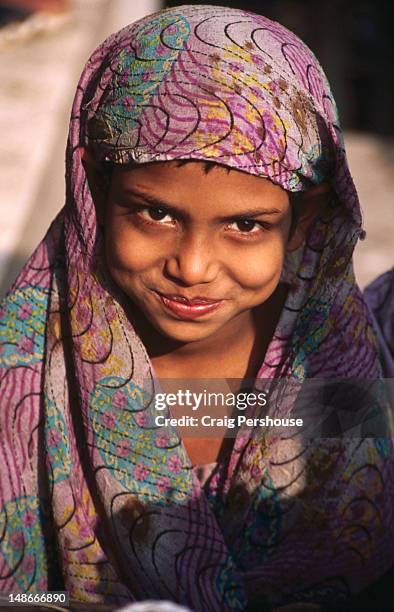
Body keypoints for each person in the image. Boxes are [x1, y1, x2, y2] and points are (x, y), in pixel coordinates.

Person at [0, 5, 392, 611]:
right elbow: (19, 593)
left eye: (244, 225)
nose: (193, 266)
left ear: (303, 221)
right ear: (95, 194)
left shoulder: (327, 364)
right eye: (156, 213)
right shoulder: (26, 375)